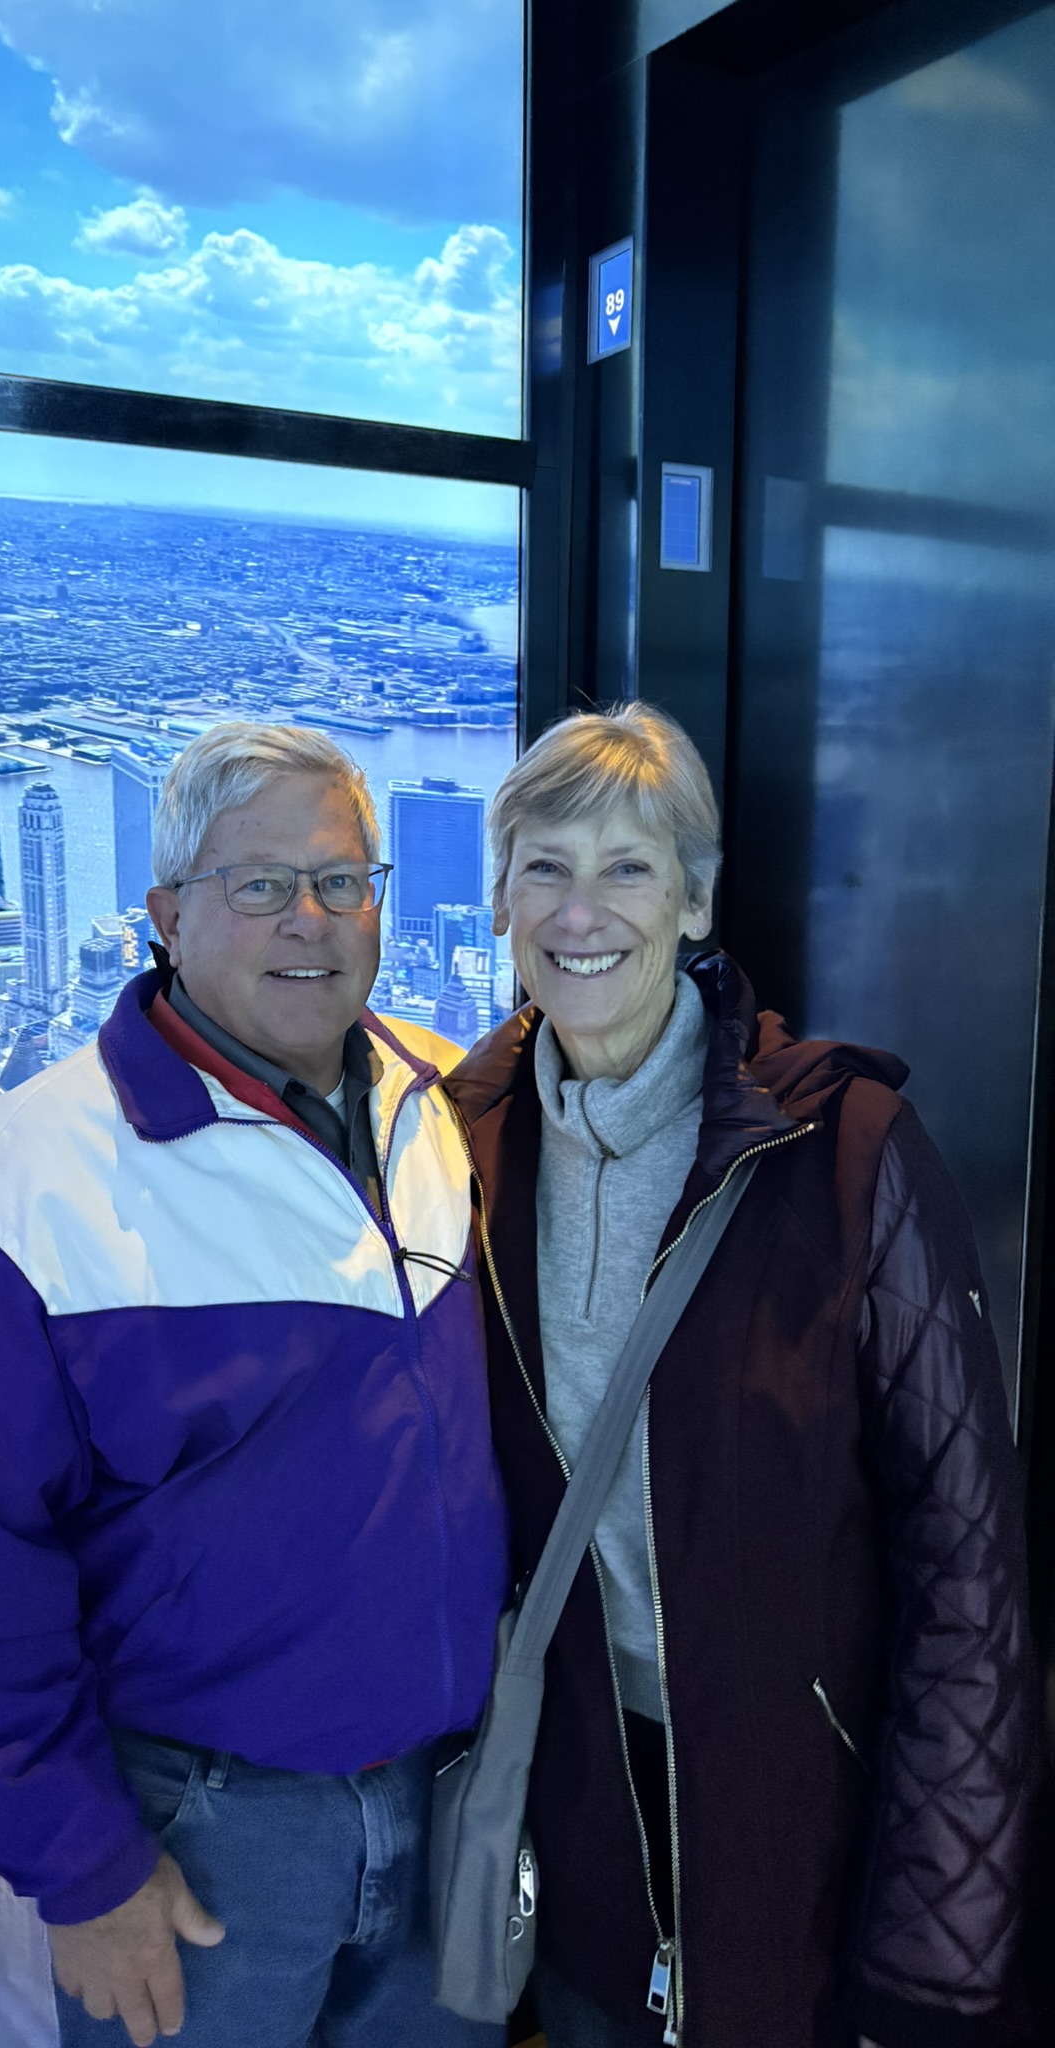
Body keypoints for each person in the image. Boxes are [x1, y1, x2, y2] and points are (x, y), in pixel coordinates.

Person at [0, 721, 509, 2048]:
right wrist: (82, 1868)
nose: (309, 920)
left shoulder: (447, 1106)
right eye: (259, 884)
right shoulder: (23, 1188)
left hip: (448, 1807)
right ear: (166, 917)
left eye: (341, 881)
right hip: (199, 1839)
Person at [444, 703, 1036, 2048]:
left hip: (803, 1833)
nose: (580, 910)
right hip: (581, 1820)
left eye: (628, 867)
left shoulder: (844, 1151)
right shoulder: (466, 1147)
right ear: (500, 900)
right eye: (545, 867)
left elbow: (966, 1569)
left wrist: (934, 1956)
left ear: (697, 900)